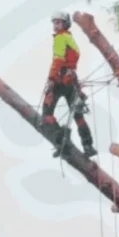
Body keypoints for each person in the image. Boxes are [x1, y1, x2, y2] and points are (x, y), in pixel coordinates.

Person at [40, 11, 97, 158]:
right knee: (77, 114)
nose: (55, 25)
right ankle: (88, 146)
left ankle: (61, 142)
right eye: (54, 22)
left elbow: (58, 59)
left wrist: (52, 78)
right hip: (71, 80)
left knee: (46, 114)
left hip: (59, 80)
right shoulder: (69, 38)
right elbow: (72, 61)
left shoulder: (60, 38)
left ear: (64, 24)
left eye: (58, 22)